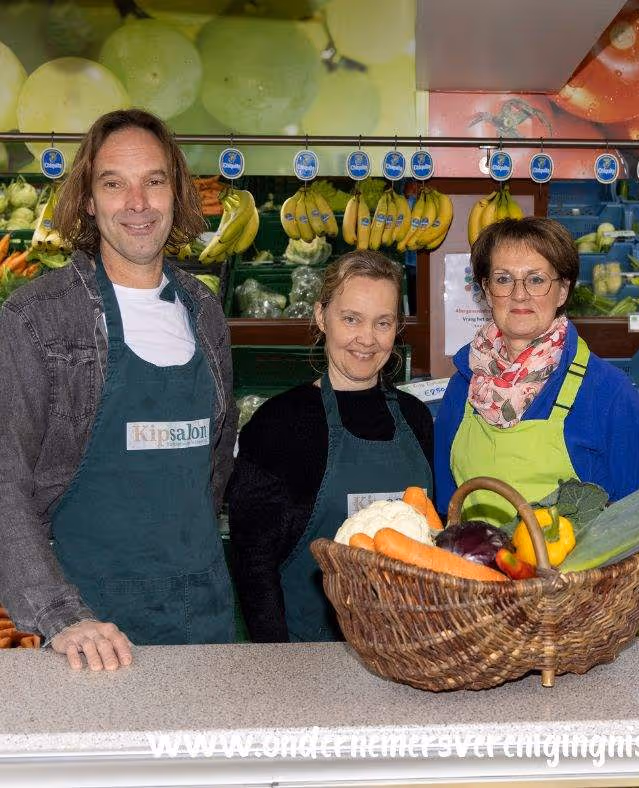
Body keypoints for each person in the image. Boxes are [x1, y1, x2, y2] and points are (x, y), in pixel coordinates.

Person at [0, 109, 238, 670]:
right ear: (88, 200)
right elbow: (4, 478)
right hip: (86, 630)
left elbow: (214, 467)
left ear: (178, 195)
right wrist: (61, 616)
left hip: (202, 618)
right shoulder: (38, 317)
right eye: (114, 184)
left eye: (154, 182)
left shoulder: (204, 313)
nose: (137, 203)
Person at [227, 251, 433, 643]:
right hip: (311, 657)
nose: (367, 339)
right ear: (323, 317)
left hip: (408, 648)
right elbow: (253, 562)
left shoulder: (416, 418)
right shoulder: (278, 424)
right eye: (351, 318)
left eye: (382, 322)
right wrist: (278, 663)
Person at [435, 216, 639, 525]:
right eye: (504, 279)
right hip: (471, 569)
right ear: (487, 291)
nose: (520, 294)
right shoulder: (462, 386)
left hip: (574, 573)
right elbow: (445, 510)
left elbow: (636, 515)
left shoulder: (607, 393)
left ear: (562, 291)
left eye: (536, 279)